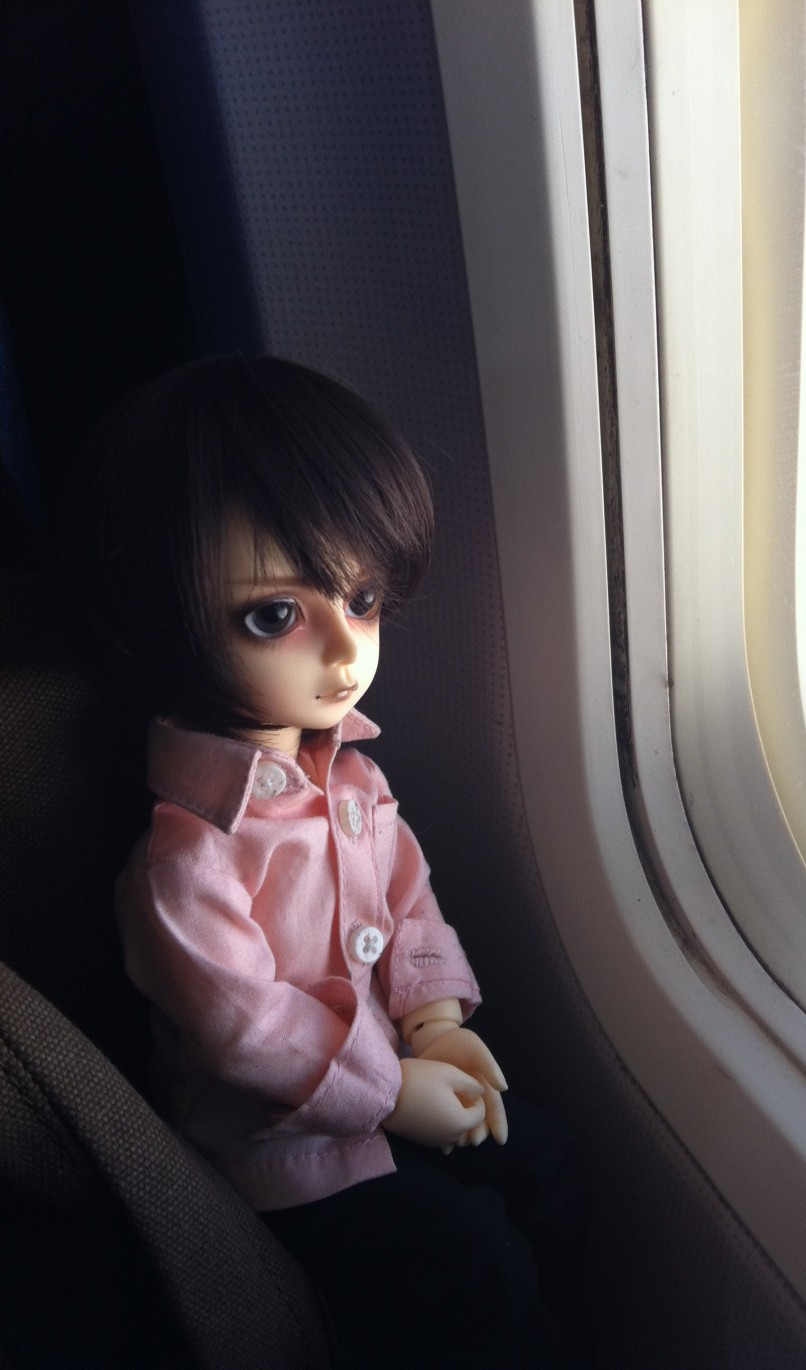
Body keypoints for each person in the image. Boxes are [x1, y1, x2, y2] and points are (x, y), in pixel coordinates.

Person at [63, 356, 581, 1368]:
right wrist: (387, 1091)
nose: (346, 650)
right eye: (274, 615)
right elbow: (243, 1026)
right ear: (157, 623)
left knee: (546, 1165)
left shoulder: (352, 780)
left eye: (363, 596)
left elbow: (408, 895)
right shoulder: (186, 856)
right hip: (279, 1157)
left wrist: (435, 1020)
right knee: (466, 1267)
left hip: (397, 1080)